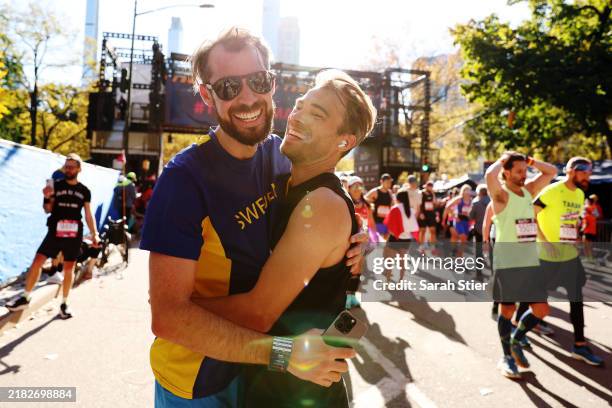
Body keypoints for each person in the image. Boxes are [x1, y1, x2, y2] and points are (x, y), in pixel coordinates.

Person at [141, 27, 366, 406]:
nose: (247, 98)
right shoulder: (183, 181)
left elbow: (327, 206)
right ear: (206, 95)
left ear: (272, 84)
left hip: (256, 377)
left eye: (258, 81)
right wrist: (174, 312)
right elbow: (168, 319)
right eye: (229, 87)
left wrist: (357, 245)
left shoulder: (281, 157)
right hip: (197, 382)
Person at [191, 68, 377, 406]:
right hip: (266, 382)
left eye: (316, 113)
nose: (298, 115)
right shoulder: (281, 183)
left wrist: (179, 308)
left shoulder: (322, 204)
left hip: (297, 394)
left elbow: (257, 313)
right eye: (301, 105)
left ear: (344, 141)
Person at [485, 151, 557, 379]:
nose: (524, 175)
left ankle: (516, 340)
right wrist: (503, 158)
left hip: (529, 263)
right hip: (508, 265)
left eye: (525, 170)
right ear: (506, 172)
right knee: (507, 310)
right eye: (518, 171)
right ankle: (506, 357)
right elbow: (489, 174)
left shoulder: (529, 191)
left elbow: (552, 172)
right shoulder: (501, 196)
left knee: (542, 309)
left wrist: (530, 160)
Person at [7, 154, 100, 319]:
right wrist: (47, 196)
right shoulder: (55, 185)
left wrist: (94, 234)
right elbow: (47, 209)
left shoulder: (84, 191)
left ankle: (64, 303)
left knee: (69, 268)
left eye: (72, 166)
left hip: (73, 233)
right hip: (55, 231)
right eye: (66, 166)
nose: (68, 169)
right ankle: (25, 297)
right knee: (37, 262)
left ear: (79, 169)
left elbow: (88, 214)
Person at [533, 157, 603, 366]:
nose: (587, 177)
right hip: (548, 255)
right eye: (585, 173)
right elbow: (530, 214)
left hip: (569, 255)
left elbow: (570, 221)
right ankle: (519, 330)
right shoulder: (552, 191)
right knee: (538, 296)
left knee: (576, 297)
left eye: (589, 173)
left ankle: (579, 345)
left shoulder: (580, 194)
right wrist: (545, 243)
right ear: (572, 171)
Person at [443, 184, 474, 254]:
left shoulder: (471, 200)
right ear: (463, 191)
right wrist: (454, 216)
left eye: (469, 190)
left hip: (466, 222)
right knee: (462, 237)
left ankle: (459, 256)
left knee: (464, 240)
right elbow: (447, 207)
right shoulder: (459, 199)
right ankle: (456, 253)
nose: (467, 192)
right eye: (466, 190)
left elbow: (471, 210)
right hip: (459, 221)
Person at [365, 173, 394, 241]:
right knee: (376, 241)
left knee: (384, 241)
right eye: (387, 182)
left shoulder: (390, 192)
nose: (389, 184)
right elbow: (364, 199)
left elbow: (392, 205)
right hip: (376, 222)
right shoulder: (375, 191)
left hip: (386, 222)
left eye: (390, 182)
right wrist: (371, 205)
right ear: (381, 182)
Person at [469, 184, 490, 274]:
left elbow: (471, 216)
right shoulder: (492, 203)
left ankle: (479, 270)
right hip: (490, 229)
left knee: (478, 250)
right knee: (491, 250)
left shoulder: (476, 204)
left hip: (478, 229)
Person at [581, 194, 602, 262]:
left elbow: (583, 217)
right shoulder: (594, 207)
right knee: (589, 245)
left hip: (587, 230)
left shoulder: (587, 208)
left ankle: (588, 258)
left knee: (586, 245)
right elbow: (597, 216)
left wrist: (583, 228)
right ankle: (590, 258)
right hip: (592, 230)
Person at [418, 181, 438, 251]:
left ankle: (432, 246)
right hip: (423, 214)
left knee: (433, 230)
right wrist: (420, 213)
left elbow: (435, 203)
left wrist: (433, 193)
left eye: (431, 186)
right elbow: (419, 204)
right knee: (422, 230)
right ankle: (421, 246)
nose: (430, 187)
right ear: (426, 186)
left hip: (431, 214)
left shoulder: (432, 194)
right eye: (429, 185)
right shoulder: (421, 193)